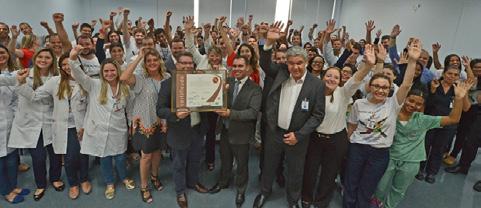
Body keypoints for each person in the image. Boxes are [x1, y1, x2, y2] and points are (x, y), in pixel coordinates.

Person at [253, 21, 325, 208]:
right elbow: (265, 63)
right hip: (275, 132)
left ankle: (293, 200)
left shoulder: (316, 85)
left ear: (306, 63)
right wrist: (268, 42)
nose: (295, 67)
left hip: (298, 136)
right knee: (269, 165)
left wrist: (299, 135)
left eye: (299, 63)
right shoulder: (281, 73)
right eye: (291, 63)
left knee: (295, 171)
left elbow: (317, 115)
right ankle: (264, 192)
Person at [342, 38, 421, 208]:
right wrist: (350, 144)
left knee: (367, 187)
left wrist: (413, 61)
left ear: (390, 89)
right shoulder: (359, 104)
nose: (380, 90)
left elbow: (406, 85)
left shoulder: (393, 104)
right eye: (376, 86)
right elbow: (352, 126)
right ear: (369, 87)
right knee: (351, 183)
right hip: (357, 149)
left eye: (385, 87)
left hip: (380, 154)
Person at [372, 80, 471, 208]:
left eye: (419, 104)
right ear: (405, 99)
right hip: (389, 157)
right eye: (411, 101)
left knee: (398, 190)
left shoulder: (423, 120)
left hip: (411, 161)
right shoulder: (391, 115)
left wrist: (458, 99)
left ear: (423, 106)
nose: (413, 105)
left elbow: (453, 119)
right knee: (379, 187)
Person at [301, 44, 375, 208]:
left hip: (336, 140)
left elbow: (357, 77)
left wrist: (368, 64)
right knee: (310, 170)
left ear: (340, 80)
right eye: (328, 76)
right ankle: (306, 197)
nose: (332, 79)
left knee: (329, 173)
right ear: (323, 77)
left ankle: (321, 201)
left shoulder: (343, 92)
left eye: (336, 77)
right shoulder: (314, 92)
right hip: (314, 138)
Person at [16, 53, 92, 200]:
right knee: (69, 157)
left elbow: (91, 105)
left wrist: (87, 125)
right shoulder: (54, 82)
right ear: (60, 67)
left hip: (82, 124)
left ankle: (84, 179)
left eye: (70, 63)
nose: (67, 67)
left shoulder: (84, 81)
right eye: (63, 64)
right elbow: (34, 96)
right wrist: (21, 83)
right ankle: (74, 183)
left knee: (83, 154)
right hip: (65, 126)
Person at [69, 45, 135, 200]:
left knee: (120, 157)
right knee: (104, 158)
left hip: (118, 129)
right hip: (99, 130)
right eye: (106, 71)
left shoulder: (125, 87)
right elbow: (79, 75)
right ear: (101, 72)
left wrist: (132, 124)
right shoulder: (94, 84)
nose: (110, 73)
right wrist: (72, 59)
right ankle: (109, 182)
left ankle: (124, 177)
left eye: (112, 70)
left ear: (118, 71)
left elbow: (130, 109)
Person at [8, 48, 63, 201]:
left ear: (53, 61)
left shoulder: (57, 77)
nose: (43, 60)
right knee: (38, 158)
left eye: (47, 57)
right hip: (30, 122)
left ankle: (55, 178)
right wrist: (21, 83)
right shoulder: (24, 74)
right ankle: (40, 184)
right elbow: (26, 94)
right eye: (40, 57)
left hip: (51, 121)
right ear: (35, 58)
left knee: (55, 155)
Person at [157, 51, 209, 208]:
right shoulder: (167, 84)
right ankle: (180, 191)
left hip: (198, 129)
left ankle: (193, 183)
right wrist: (175, 114)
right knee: (179, 164)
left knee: (195, 160)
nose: (187, 66)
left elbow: (210, 99)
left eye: (190, 63)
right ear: (177, 65)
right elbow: (160, 109)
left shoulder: (201, 81)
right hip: (178, 131)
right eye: (184, 63)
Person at [208, 56, 262, 207]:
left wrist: (230, 113)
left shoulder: (255, 88)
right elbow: (215, 100)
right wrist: (220, 93)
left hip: (242, 134)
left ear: (247, 68)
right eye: (234, 66)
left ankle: (240, 189)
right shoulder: (227, 83)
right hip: (225, 130)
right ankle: (223, 182)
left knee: (242, 164)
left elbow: (252, 113)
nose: (237, 69)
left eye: (240, 66)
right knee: (224, 159)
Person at [120, 48, 170, 203]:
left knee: (157, 152)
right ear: (145, 64)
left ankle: (154, 176)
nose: (152, 63)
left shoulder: (167, 77)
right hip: (145, 122)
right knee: (146, 155)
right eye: (149, 61)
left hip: (160, 122)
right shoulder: (140, 78)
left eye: (155, 60)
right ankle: (144, 186)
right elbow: (123, 77)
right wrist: (139, 57)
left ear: (160, 61)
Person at [416, 64, 473, 184]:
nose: (452, 76)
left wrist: (464, 94)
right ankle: (420, 169)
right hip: (430, 121)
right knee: (424, 146)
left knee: (439, 149)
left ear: (459, 76)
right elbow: (426, 104)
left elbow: (467, 108)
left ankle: (432, 172)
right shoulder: (433, 84)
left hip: (448, 124)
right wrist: (432, 91)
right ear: (443, 74)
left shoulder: (458, 89)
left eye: (456, 75)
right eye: (449, 73)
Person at [0, 45, 30, 204]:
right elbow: (7, 80)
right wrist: (17, 77)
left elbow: (16, 97)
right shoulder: (10, 76)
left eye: (3, 53)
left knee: (12, 158)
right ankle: (5, 191)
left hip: (10, 122)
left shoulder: (10, 73)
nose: (1, 56)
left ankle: (13, 186)